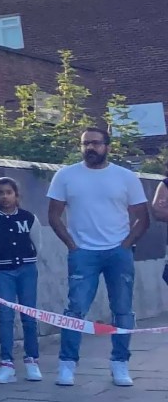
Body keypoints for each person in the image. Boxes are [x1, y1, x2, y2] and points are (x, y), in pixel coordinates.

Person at [46, 126, 149, 388]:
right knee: (75, 309)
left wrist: (125, 245)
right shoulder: (66, 176)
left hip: (118, 253)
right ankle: (67, 365)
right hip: (83, 254)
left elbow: (142, 218)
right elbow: (54, 215)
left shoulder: (125, 177)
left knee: (123, 310)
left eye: (95, 143)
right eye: (85, 144)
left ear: (107, 146)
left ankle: (120, 364)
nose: (89, 148)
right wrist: (72, 244)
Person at [0, 176, 41, 383]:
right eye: (0, 193)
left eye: (8, 192)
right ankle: (7, 364)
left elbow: (37, 243)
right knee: (6, 316)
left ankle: (31, 361)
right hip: (4, 272)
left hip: (27, 270)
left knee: (29, 315)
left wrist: (28, 261)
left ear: (16, 195)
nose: (5, 197)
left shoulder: (29, 218)